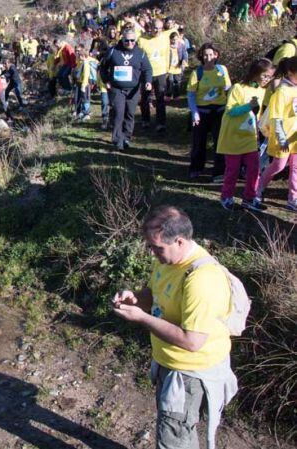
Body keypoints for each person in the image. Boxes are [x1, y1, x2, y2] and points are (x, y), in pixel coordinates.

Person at [112, 205, 238, 449]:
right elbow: (153, 294)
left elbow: (193, 341)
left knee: (174, 439)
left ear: (179, 241)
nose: (152, 253)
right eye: (150, 246)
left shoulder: (202, 279)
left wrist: (142, 318)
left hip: (189, 373)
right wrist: (135, 299)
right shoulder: (167, 259)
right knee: (172, 429)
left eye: (157, 247)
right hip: (169, 363)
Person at [217, 59, 273, 211]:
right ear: (255, 73)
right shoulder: (238, 88)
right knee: (233, 170)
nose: (267, 80)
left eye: (270, 77)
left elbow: (261, 115)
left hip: (250, 138)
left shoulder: (262, 91)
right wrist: (248, 106)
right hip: (233, 136)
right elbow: (230, 111)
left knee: (254, 169)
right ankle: (226, 197)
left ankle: (249, 198)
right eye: (265, 76)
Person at [99, 29, 153, 151]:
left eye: (132, 40)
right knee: (118, 113)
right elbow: (102, 67)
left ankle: (126, 137)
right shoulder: (113, 51)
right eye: (126, 40)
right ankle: (118, 140)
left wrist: (148, 82)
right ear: (122, 39)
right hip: (116, 88)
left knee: (130, 114)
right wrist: (106, 80)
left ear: (135, 40)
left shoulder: (140, 53)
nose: (129, 43)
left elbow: (147, 69)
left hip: (133, 90)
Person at [187, 43, 231, 181]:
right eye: (205, 55)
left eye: (211, 54)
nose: (208, 57)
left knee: (220, 142)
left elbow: (229, 88)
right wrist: (194, 112)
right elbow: (191, 95)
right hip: (202, 112)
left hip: (220, 110)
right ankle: (196, 168)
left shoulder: (222, 69)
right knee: (199, 142)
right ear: (201, 56)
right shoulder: (197, 73)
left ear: (216, 55)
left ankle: (219, 172)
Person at [257, 56, 297, 209]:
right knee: (278, 166)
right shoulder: (282, 91)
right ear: (290, 72)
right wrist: (281, 138)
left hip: (295, 136)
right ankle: (258, 189)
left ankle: (293, 199)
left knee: (295, 168)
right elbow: (276, 117)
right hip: (283, 137)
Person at [138, 19, 172, 132]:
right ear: (150, 27)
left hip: (161, 72)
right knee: (145, 98)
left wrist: (167, 69)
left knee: (160, 98)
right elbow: (138, 58)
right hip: (146, 73)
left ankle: (161, 123)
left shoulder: (165, 38)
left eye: (160, 28)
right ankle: (145, 120)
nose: (157, 30)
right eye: (155, 28)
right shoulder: (142, 40)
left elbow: (167, 54)